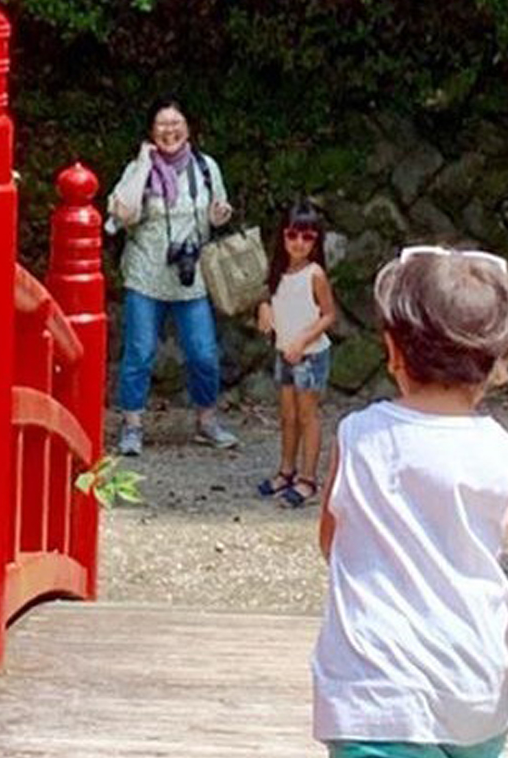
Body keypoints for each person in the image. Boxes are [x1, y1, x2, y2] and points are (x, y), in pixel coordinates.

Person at [313, 246, 508, 758]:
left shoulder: (357, 438)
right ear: (500, 361)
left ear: (394, 351)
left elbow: (331, 540)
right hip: (471, 690)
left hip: (371, 694)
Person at [106, 98, 238, 455]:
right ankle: (132, 425)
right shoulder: (139, 168)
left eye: (176, 123)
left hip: (190, 276)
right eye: (162, 124)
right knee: (139, 352)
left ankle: (206, 420)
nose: (169, 131)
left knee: (203, 353)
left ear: (188, 128)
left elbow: (216, 214)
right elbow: (125, 214)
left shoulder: (205, 167)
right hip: (146, 274)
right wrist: (145, 163)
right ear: (151, 132)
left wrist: (219, 215)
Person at [254, 202, 338, 507]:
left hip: (309, 355)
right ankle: (286, 470)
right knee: (287, 415)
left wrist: (303, 339)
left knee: (307, 415)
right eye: (292, 235)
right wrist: (263, 308)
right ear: (283, 237)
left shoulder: (315, 274)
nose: (299, 243)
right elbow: (267, 296)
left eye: (307, 237)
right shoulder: (278, 271)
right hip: (284, 352)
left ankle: (308, 478)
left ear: (316, 241)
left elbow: (329, 314)